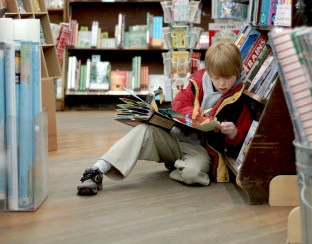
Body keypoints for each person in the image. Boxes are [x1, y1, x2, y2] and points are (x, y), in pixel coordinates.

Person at [77, 42, 253, 196]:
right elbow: (178, 105)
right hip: (175, 138)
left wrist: (233, 133)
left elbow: (241, 141)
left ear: (237, 72)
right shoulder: (198, 82)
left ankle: (178, 166)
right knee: (144, 130)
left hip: (200, 150)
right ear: (209, 72)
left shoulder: (240, 99)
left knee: (193, 175)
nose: (222, 83)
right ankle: (97, 169)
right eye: (216, 78)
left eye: (227, 78)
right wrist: (199, 116)